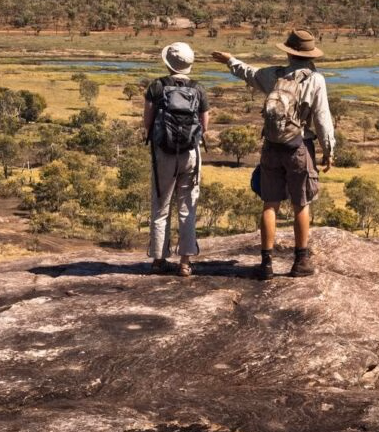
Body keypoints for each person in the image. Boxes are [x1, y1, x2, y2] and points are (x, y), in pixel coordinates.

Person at [212, 29, 335, 280]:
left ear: (289, 52)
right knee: (301, 204)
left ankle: (266, 264)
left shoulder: (272, 75)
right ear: (310, 55)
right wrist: (329, 150)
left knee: (270, 204)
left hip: (271, 147)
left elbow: (247, 73)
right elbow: (323, 120)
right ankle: (300, 262)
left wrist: (229, 60)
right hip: (299, 147)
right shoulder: (315, 80)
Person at [143, 42, 210, 277]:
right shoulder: (198, 89)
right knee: (187, 207)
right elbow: (205, 124)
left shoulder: (157, 86)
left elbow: (147, 121)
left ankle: (159, 260)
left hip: (163, 152)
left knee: (160, 206)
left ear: (168, 63)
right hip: (190, 154)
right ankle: (185, 262)